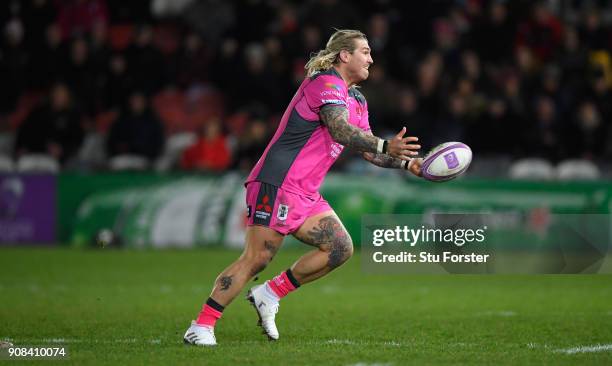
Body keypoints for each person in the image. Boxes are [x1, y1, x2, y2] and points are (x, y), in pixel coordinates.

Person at [183, 29, 423, 346]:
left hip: (306, 193)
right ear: (344, 55)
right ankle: (201, 325)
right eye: (364, 51)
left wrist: (408, 164)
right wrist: (384, 144)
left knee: (340, 248)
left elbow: (368, 151)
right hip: (277, 182)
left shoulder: (357, 99)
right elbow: (340, 130)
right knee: (256, 258)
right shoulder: (325, 82)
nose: (371, 58)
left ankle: (270, 293)